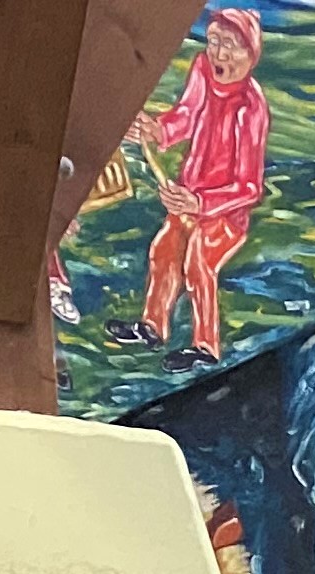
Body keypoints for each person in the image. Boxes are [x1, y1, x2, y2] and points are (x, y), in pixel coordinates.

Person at [126, 9, 265, 365]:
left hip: (225, 214)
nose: (218, 54)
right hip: (189, 198)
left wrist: (200, 203)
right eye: (214, 41)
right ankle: (152, 327)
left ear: (251, 55)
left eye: (230, 46)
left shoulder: (250, 108)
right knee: (163, 250)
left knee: (198, 260)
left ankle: (206, 346)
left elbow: (249, 187)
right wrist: (157, 130)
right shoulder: (202, 69)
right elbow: (186, 115)